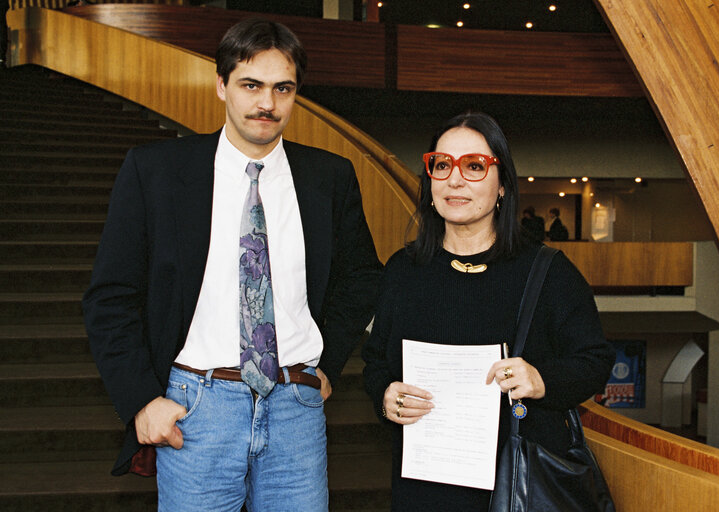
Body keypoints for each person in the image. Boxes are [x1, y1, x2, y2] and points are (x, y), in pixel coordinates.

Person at [83, 18, 382, 511]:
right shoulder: (155, 171)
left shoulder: (329, 176)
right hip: (196, 406)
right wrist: (140, 399)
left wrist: (328, 363)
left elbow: (362, 277)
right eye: (251, 85)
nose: (267, 103)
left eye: (282, 88)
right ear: (222, 85)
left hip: (296, 407)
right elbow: (110, 297)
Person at [362, 112, 615, 511]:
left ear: (503, 186)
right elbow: (376, 361)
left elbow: (595, 360)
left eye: (475, 166)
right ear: (429, 182)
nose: (455, 179)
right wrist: (385, 396)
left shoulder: (547, 271)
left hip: (516, 488)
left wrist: (540, 379)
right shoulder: (403, 271)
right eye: (442, 165)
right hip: (424, 486)